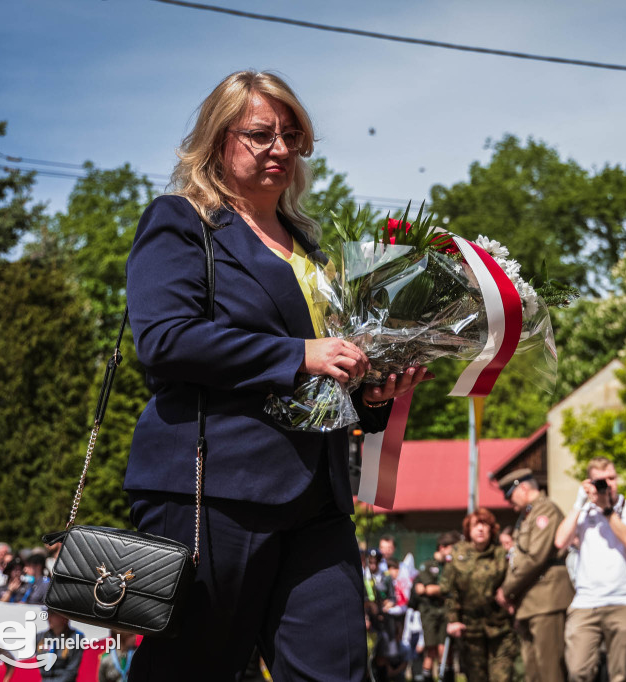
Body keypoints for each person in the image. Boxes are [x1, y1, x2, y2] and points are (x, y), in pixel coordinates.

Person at [123, 70, 429, 680]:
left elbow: (325, 373)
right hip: (211, 492)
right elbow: (163, 339)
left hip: (318, 498)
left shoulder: (313, 248)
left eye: (293, 136)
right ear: (217, 139)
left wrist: (372, 395)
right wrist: (300, 354)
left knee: (337, 670)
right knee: (193, 669)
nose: (281, 150)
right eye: (261, 135)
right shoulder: (182, 223)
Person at [554, 457, 626, 682]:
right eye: (601, 480)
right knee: (578, 671)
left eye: (612, 478)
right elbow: (560, 542)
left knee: (621, 675)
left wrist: (606, 510)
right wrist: (579, 503)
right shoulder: (584, 511)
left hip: (623, 601)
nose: (608, 484)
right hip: (586, 603)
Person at [497, 469, 573, 682]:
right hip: (530, 601)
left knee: (549, 670)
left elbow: (535, 558)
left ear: (523, 487)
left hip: (547, 600)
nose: (510, 502)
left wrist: (506, 589)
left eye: (511, 495)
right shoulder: (529, 514)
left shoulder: (545, 511)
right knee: (532, 671)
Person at [441, 508, 518, 682]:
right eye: (476, 525)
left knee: (502, 677)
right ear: (469, 530)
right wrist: (453, 620)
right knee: (477, 678)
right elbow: (449, 589)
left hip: (500, 627)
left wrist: (509, 595)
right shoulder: (458, 554)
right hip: (470, 630)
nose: (481, 529)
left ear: (492, 529)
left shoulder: (501, 554)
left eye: (485, 525)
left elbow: (514, 580)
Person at [413, 532, 458, 682]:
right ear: (442, 547)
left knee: (445, 649)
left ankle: (446, 677)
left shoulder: (451, 566)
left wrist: (436, 589)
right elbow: (426, 589)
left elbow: (434, 589)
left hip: (445, 611)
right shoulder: (427, 565)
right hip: (429, 612)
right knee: (431, 649)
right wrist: (442, 589)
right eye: (453, 548)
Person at [37, 612, 84, 682]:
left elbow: (71, 671)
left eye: (53, 615)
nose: (48, 618)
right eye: (48, 614)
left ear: (64, 617)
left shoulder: (76, 637)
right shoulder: (40, 637)